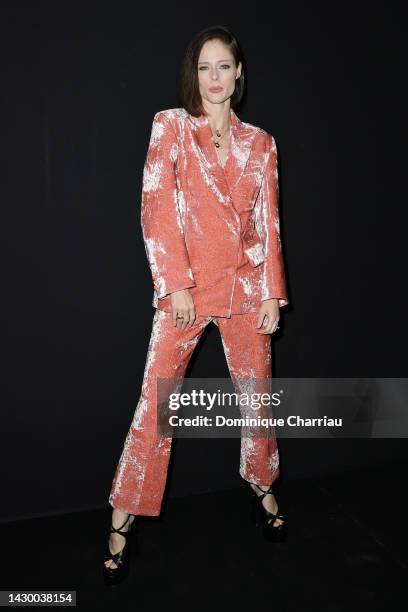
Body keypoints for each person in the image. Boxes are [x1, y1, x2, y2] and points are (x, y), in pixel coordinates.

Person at [103, 24, 290, 585]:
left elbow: (269, 221)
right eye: (205, 67)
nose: (215, 78)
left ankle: (262, 485)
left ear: (238, 74)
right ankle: (122, 518)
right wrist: (174, 284)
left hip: (245, 288)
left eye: (224, 67)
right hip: (185, 292)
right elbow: (155, 207)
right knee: (154, 403)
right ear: (195, 74)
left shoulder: (261, 142)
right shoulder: (170, 127)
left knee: (257, 398)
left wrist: (273, 293)